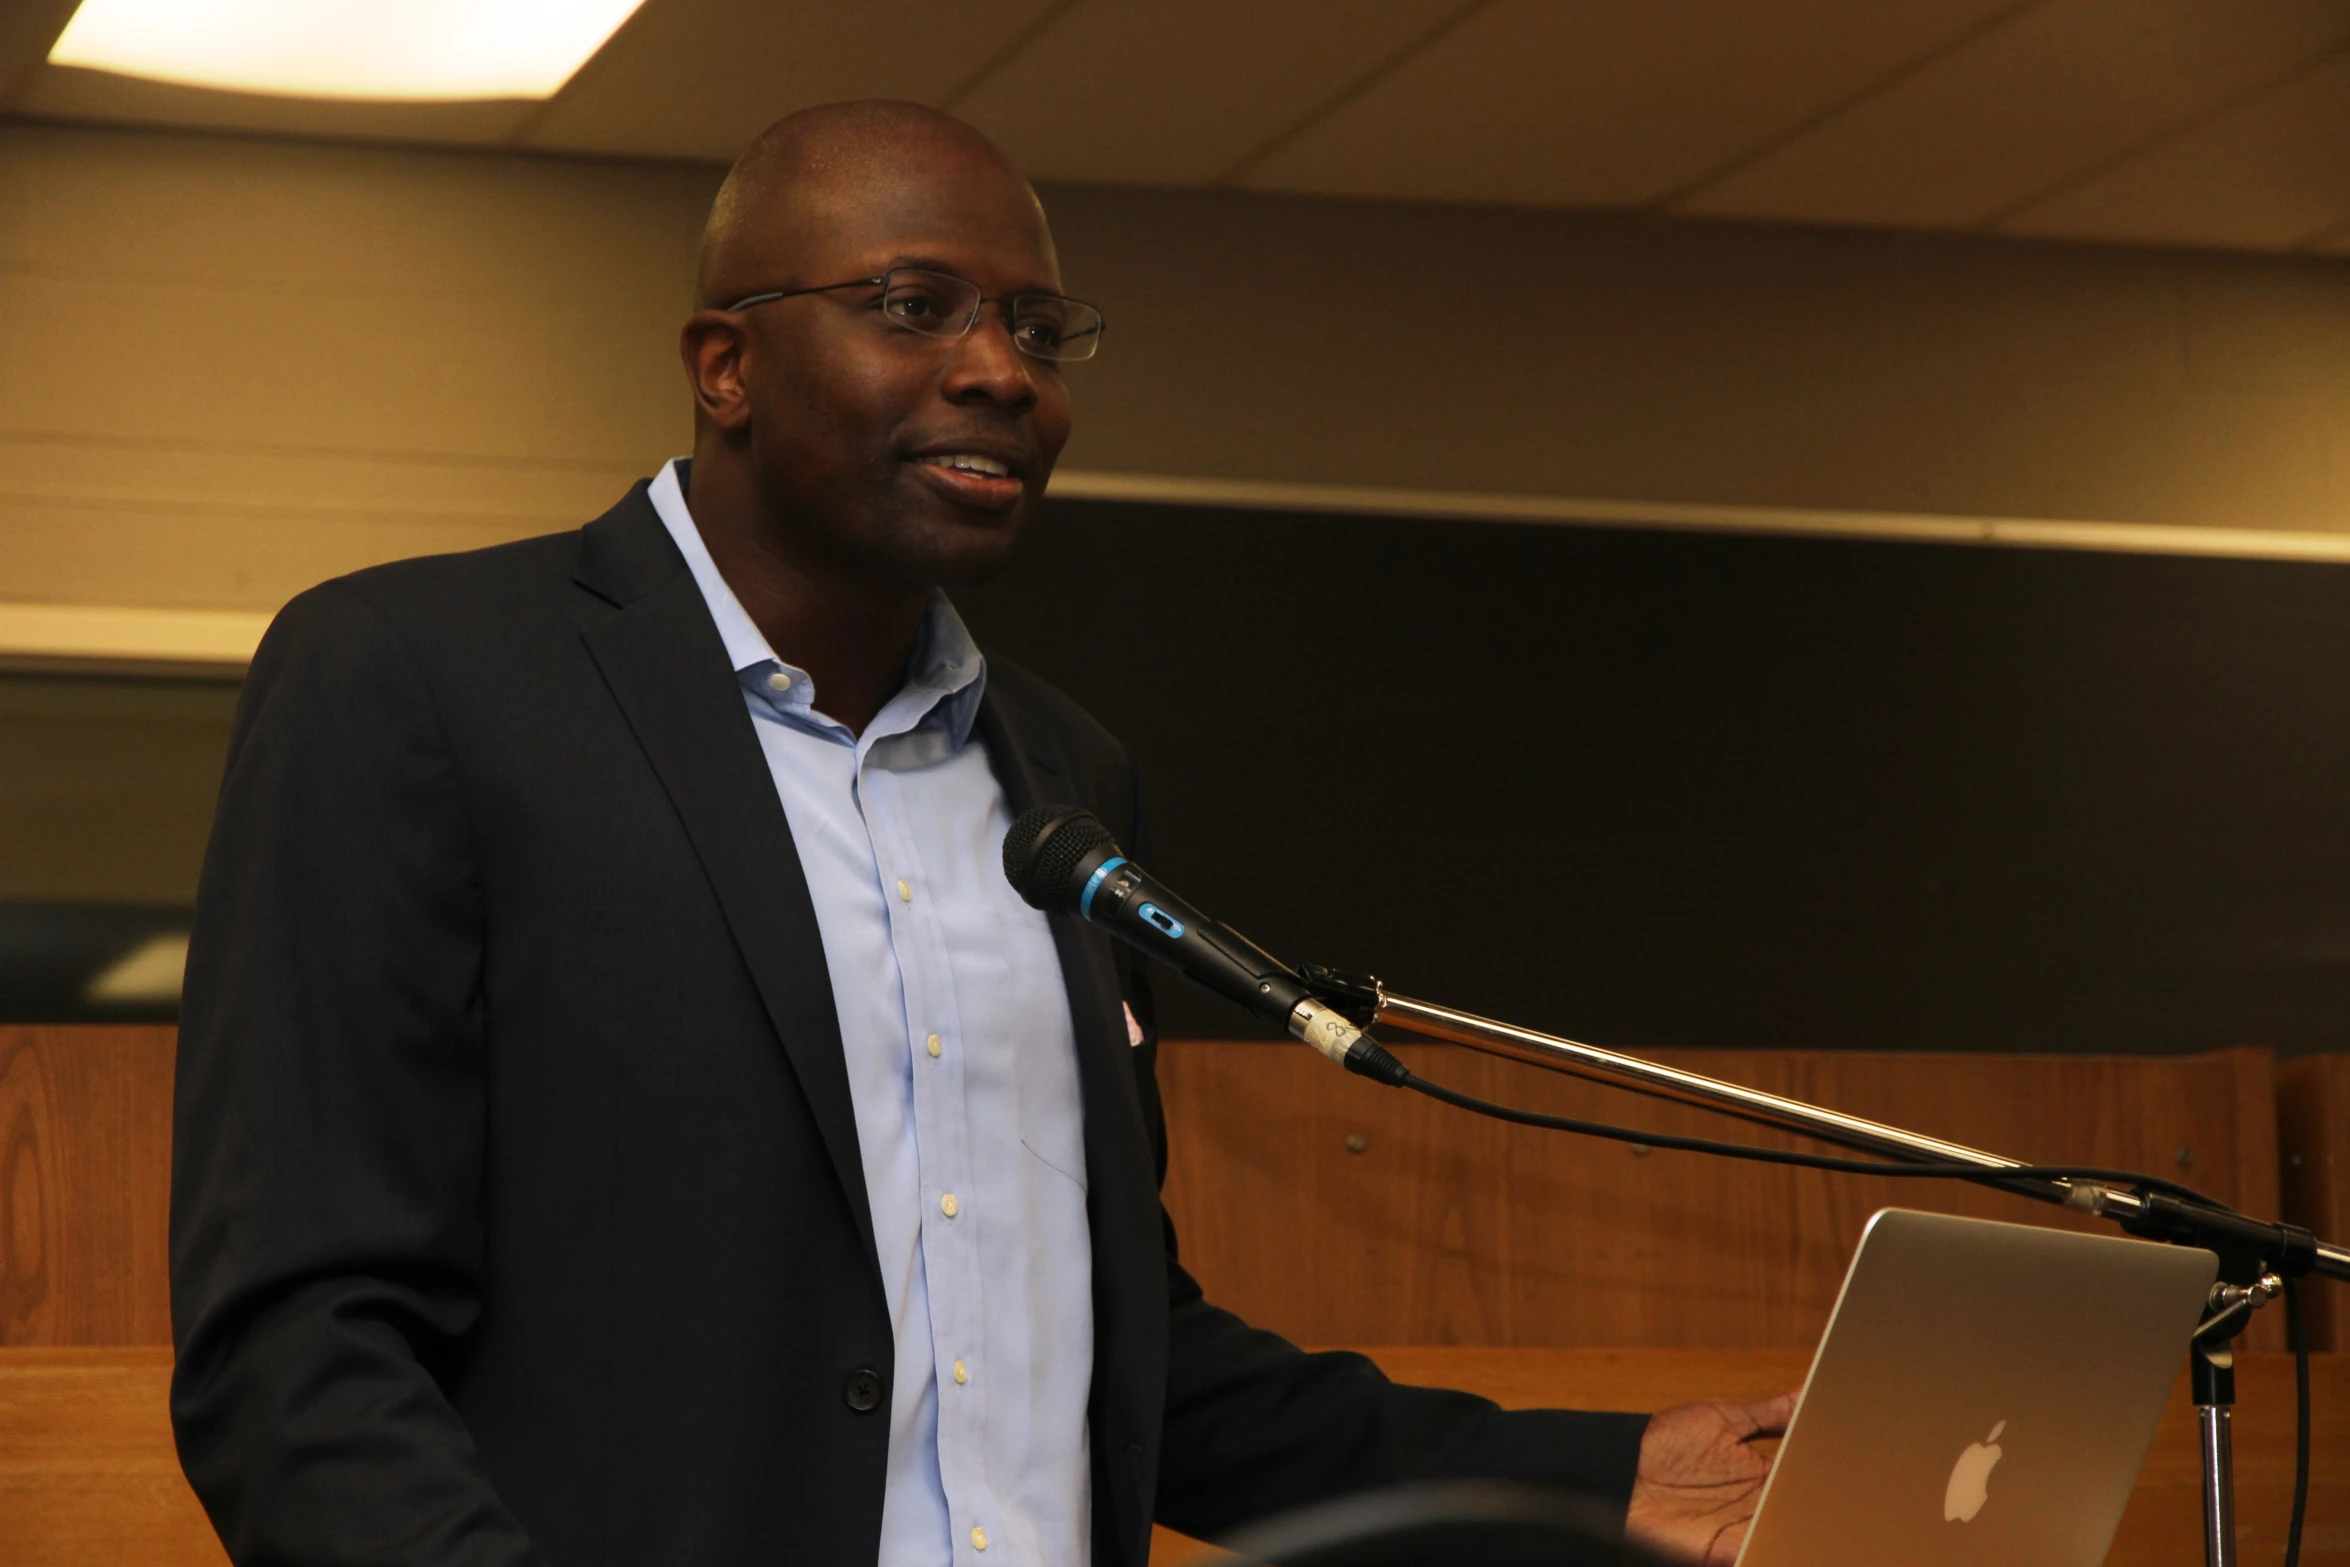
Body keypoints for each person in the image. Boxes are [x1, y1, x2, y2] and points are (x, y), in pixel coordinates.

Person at [170, 100, 1790, 1567]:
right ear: (722, 362)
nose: (1001, 370)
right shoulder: (423, 680)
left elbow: (1109, 1352)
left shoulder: (1064, 783)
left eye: (1037, 325)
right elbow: (301, 1348)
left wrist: (1590, 1476)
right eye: (913, 305)